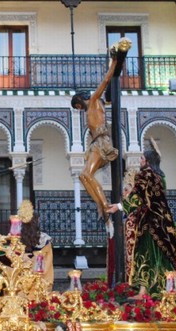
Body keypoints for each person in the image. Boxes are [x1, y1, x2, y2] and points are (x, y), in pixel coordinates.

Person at [106, 140, 176, 298]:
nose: (140, 161)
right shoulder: (161, 177)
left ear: (147, 160)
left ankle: (143, 292)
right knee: (162, 255)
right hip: (164, 222)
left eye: (141, 158)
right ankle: (168, 289)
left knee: (145, 254)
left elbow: (137, 196)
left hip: (149, 223)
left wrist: (118, 207)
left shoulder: (145, 175)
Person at [71, 38, 130, 221]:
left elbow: (105, 81)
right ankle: (101, 205)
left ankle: (104, 206)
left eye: (77, 106)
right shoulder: (93, 106)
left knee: (85, 174)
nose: (79, 109)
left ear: (80, 101)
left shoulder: (94, 101)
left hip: (101, 142)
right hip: (97, 143)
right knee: (83, 176)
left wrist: (114, 62)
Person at [18, 200, 54, 287]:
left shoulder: (17, 239)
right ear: (36, 222)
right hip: (40, 280)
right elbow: (48, 262)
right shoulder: (44, 239)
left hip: (22, 281)